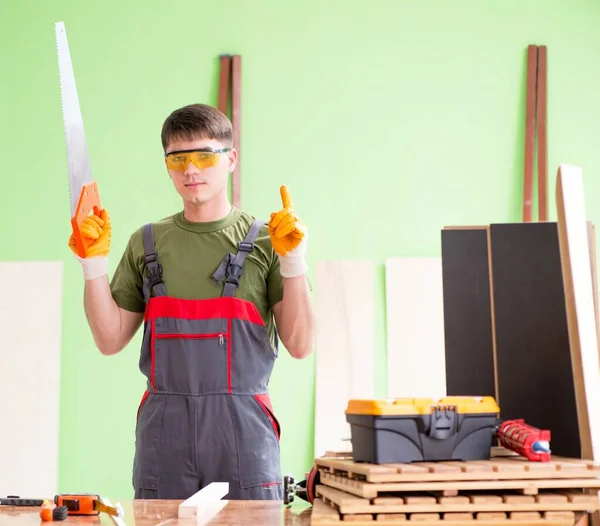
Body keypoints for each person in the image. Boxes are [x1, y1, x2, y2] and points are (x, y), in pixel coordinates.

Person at [68, 103, 316, 500]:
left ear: (231, 158)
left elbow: (301, 345)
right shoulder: (145, 244)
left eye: (204, 155)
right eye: (178, 158)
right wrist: (92, 264)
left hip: (244, 435)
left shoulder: (270, 241)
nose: (191, 169)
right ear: (166, 164)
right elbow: (109, 339)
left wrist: (293, 261)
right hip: (165, 436)